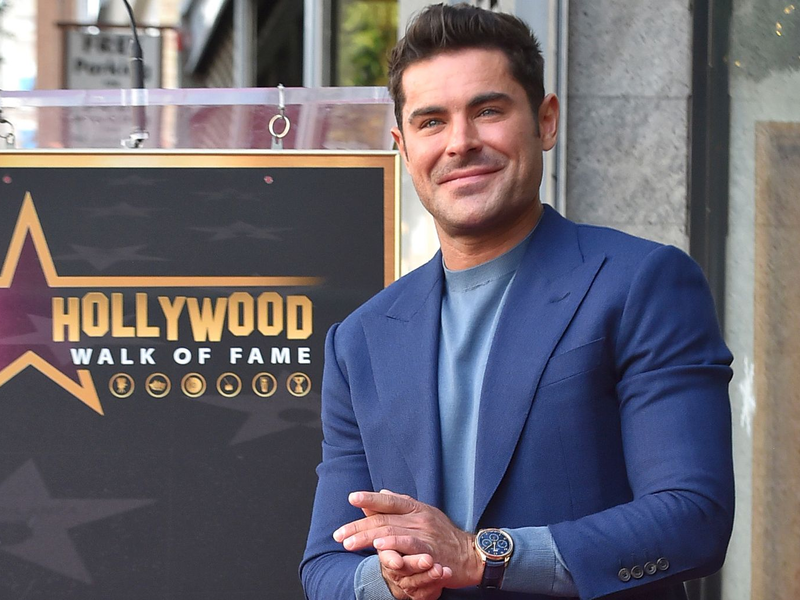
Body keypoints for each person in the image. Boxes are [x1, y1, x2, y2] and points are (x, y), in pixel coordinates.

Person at [300, 4, 734, 600]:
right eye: (431, 122)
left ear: (546, 121)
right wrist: (392, 579)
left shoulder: (641, 283)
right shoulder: (361, 340)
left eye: (487, 111)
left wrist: (484, 556)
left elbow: (694, 519)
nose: (460, 143)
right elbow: (325, 569)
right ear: (402, 146)